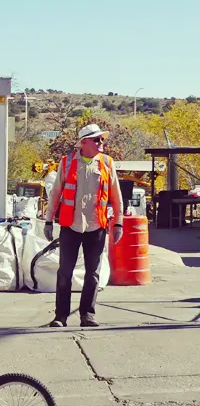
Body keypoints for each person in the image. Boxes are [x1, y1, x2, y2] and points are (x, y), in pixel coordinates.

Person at [43, 124, 124, 328]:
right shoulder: (68, 162)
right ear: (84, 142)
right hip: (71, 225)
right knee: (65, 272)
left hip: (97, 226)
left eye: (102, 139)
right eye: (96, 140)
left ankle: (87, 315)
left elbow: (116, 195)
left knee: (93, 273)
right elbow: (55, 193)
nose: (101, 143)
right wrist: (48, 219)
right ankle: (60, 316)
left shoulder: (107, 163)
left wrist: (119, 223)